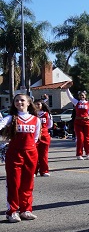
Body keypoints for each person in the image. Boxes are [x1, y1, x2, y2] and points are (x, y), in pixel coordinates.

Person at [0, 93, 41, 222]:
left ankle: (25, 210)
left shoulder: (36, 119)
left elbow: (35, 138)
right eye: (16, 101)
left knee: (28, 183)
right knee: (13, 183)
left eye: (22, 100)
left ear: (29, 103)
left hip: (31, 153)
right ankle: (12, 211)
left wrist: (29, 148)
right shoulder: (10, 118)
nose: (19, 102)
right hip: (14, 154)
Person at [65, 86, 89, 160]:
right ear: (79, 96)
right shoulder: (76, 102)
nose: (82, 96)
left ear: (85, 96)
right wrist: (66, 88)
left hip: (87, 123)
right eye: (80, 95)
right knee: (80, 138)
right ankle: (79, 154)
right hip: (78, 123)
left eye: (83, 95)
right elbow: (70, 96)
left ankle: (88, 154)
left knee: (88, 138)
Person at [34, 99, 53, 177]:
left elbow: (50, 125)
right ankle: (33, 171)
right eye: (36, 104)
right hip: (34, 136)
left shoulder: (47, 114)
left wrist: (43, 130)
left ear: (42, 105)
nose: (37, 106)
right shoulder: (32, 114)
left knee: (44, 154)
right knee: (34, 155)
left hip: (44, 136)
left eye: (39, 104)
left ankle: (44, 170)